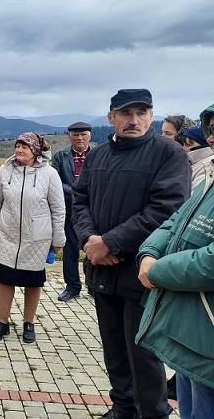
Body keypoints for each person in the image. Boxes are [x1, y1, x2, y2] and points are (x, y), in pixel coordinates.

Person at [73, 89, 191, 419]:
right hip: (102, 269)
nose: (134, 120)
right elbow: (80, 202)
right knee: (114, 350)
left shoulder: (168, 154)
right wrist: (90, 241)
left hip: (141, 272)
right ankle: (122, 408)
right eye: (126, 113)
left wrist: (110, 242)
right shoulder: (97, 156)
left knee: (143, 354)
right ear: (111, 117)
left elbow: (167, 209)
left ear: (151, 116)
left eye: (142, 112)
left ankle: (152, 413)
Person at [135, 123, 214, 419]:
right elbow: (176, 220)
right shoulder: (209, 178)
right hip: (192, 333)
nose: (210, 138)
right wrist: (149, 252)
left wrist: (158, 271)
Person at [0, 133, 65, 343]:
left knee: (33, 283)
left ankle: (28, 323)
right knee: (5, 280)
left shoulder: (49, 174)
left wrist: (58, 240)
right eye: (17, 146)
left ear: (36, 151)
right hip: (9, 236)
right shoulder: (5, 171)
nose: (19, 150)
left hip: (36, 239)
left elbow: (58, 210)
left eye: (24, 147)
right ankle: (2, 322)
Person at [51, 121, 93, 302]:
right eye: (75, 135)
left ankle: (93, 285)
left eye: (83, 134)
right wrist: (73, 193)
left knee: (93, 248)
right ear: (70, 136)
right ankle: (72, 287)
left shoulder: (98, 154)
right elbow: (55, 181)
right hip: (69, 209)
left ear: (89, 136)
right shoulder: (61, 156)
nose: (79, 138)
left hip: (93, 210)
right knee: (69, 250)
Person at [183, 126, 214, 193]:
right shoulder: (192, 164)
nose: (184, 148)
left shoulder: (206, 169)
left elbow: (191, 199)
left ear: (204, 146)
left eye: (188, 144)